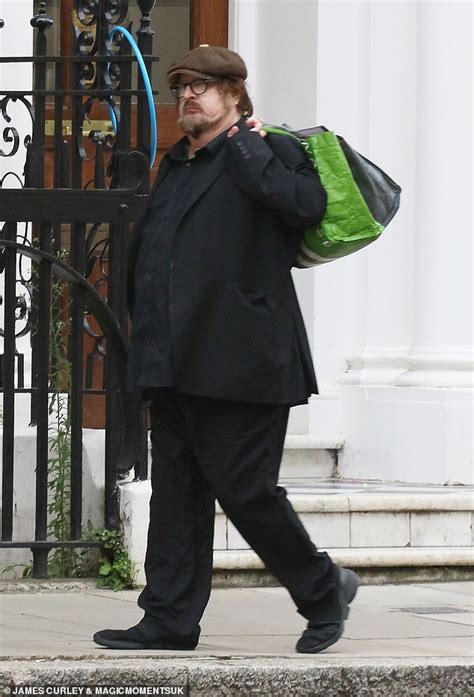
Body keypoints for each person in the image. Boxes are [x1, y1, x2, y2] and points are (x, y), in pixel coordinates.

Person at [93, 45, 358, 655]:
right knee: (178, 491)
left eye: (204, 87)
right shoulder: (176, 164)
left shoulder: (270, 149)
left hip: (245, 359)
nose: (189, 95)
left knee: (244, 488)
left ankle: (324, 590)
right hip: (175, 358)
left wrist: (245, 141)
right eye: (182, 86)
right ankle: (168, 619)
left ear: (235, 94)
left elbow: (302, 206)